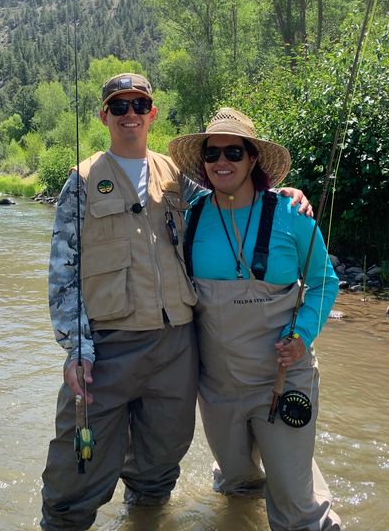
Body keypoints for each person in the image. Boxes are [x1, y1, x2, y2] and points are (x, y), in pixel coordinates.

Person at [41, 74, 312, 531]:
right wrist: (75, 347)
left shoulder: (177, 177)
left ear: (153, 113)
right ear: (104, 115)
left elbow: (231, 197)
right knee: (79, 465)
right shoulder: (82, 180)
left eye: (139, 104)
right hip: (106, 346)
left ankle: (144, 517)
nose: (130, 114)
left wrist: (279, 197)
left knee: (161, 458)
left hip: (176, 344)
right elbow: (63, 270)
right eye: (119, 106)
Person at [168, 107, 341, 531]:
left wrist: (302, 334)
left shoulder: (291, 214)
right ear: (203, 164)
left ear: (253, 160)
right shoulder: (189, 217)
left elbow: (323, 283)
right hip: (218, 387)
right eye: (212, 155)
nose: (221, 162)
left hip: (283, 380)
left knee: (298, 511)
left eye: (233, 152)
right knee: (237, 486)